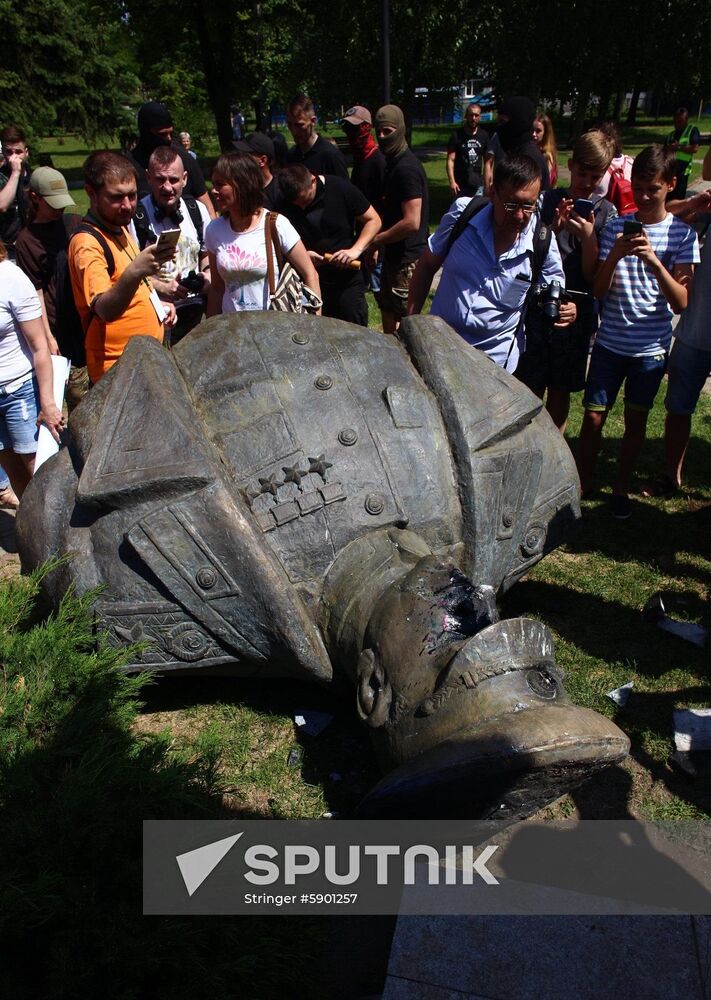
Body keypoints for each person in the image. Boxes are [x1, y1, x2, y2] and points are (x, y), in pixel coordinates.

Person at [576, 145, 699, 519]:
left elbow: (681, 301)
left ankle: (620, 489)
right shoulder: (615, 226)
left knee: (635, 421)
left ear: (671, 185)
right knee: (594, 417)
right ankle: (582, 482)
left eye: (653, 189)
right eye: (638, 188)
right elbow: (597, 290)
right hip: (610, 344)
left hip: (648, 350)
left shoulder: (682, 234)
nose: (644, 197)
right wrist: (614, 254)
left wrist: (652, 260)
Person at [407, 153, 569, 372]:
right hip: (439, 349)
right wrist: (410, 324)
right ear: (492, 192)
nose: (520, 216)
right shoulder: (463, 214)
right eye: (512, 204)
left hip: (495, 366)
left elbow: (555, 291)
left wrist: (567, 308)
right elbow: (426, 265)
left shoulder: (542, 242)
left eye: (529, 206)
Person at [516, 130, 616, 432]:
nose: (586, 182)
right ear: (570, 165)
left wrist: (588, 239)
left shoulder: (606, 213)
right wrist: (551, 230)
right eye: (582, 173)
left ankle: (555, 449)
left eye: (594, 176)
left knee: (560, 392)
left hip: (577, 313)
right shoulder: (546, 200)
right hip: (538, 308)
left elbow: (593, 277)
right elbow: (528, 258)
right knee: (528, 386)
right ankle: (526, 442)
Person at [68, 151, 177, 384]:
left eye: (133, 195)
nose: (127, 206)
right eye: (116, 197)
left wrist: (156, 302)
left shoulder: (119, 227)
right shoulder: (87, 244)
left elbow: (124, 281)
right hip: (118, 374)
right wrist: (137, 270)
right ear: (91, 193)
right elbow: (105, 309)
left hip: (144, 363)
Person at [205, 151, 320, 315]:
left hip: (271, 328)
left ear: (242, 185)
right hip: (232, 331)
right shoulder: (214, 230)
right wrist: (211, 331)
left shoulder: (276, 224)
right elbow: (217, 288)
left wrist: (314, 326)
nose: (214, 191)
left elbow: (310, 274)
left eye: (220, 184)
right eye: (213, 184)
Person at [14, 166, 90, 411]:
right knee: (78, 394)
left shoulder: (72, 222)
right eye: (52, 204)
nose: (60, 209)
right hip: (60, 324)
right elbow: (34, 292)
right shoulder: (27, 240)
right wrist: (48, 336)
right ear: (35, 198)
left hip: (86, 316)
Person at [277, 163, 380, 325]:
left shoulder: (340, 188)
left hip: (347, 279)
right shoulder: (284, 203)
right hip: (310, 281)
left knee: (354, 330)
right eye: (297, 204)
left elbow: (373, 220)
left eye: (305, 200)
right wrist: (304, 256)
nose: (302, 207)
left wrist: (355, 250)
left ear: (313, 180)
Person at [0, 244, 63, 498]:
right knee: (11, 469)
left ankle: (60, 534)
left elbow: (39, 348)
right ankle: (31, 532)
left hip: (19, 391)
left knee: (39, 471)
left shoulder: (10, 278)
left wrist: (47, 404)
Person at [135, 145, 212, 346]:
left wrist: (207, 274)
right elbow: (128, 271)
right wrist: (162, 287)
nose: (167, 187)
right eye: (160, 179)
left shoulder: (197, 210)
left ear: (185, 179)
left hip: (196, 313)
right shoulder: (136, 217)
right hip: (155, 314)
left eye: (174, 180)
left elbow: (205, 253)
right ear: (148, 177)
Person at [367, 105, 428, 336]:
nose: (382, 137)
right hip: (393, 257)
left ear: (400, 130)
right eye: (379, 132)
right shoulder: (392, 164)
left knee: (407, 326)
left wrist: (377, 240)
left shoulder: (406, 169)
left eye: (388, 131)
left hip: (407, 261)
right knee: (387, 313)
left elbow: (412, 222)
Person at [125, 102, 215, 219]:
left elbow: (207, 206)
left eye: (170, 133)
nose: (168, 139)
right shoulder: (128, 166)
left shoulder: (184, 159)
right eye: (162, 134)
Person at [483, 97, 550, 195]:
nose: (499, 128)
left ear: (518, 123)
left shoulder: (529, 159)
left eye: (503, 122)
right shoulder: (518, 152)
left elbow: (519, 203)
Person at [286, 95, 348, 179]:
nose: (294, 131)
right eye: (290, 124)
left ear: (313, 121)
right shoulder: (291, 156)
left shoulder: (331, 156)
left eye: (299, 125)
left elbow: (343, 190)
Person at [0, 126, 31, 259]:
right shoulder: (2, 177)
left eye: (18, 151)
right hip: (7, 249)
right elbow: (2, 205)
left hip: (29, 247)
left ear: (26, 152)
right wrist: (15, 173)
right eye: (9, 152)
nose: (14, 157)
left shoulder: (32, 176)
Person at [447, 103, 489, 198]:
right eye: (471, 115)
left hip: (478, 184)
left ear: (480, 117)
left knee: (477, 211)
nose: (473, 118)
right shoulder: (456, 136)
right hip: (460, 185)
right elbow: (450, 160)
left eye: (476, 115)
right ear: (466, 116)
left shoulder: (484, 136)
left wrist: (488, 183)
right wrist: (452, 182)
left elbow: (488, 162)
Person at [233, 132, 281, 209]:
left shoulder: (280, 191)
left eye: (246, 155)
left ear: (262, 160)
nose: (240, 159)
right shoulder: (241, 189)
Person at [664, 107, 700, 201]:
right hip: (670, 169)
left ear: (686, 120)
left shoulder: (692, 130)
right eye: (675, 122)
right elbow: (663, 150)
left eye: (680, 121)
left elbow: (695, 148)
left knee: (678, 198)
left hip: (683, 171)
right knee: (667, 196)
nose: (677, 124)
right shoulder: (671, 135)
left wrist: (678, 147)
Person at [533, 112, 558, 188]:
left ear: (546, 133)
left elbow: (546, 183)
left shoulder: (546, 155)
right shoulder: (533, 150)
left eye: (538, 131)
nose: (533, 134)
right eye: (532, 130)